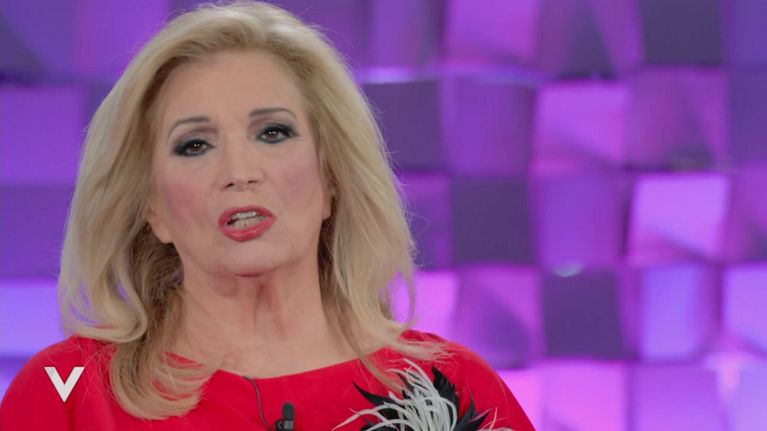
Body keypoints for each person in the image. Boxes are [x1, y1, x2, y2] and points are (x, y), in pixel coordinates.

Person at [0, 2, 534, 430]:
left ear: (330, 178)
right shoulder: (69, 394)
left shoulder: (452, 389)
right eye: (194, 145)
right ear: (153, 208)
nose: (239, 172)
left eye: (273, 133)